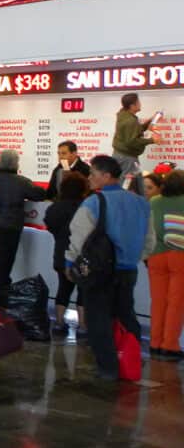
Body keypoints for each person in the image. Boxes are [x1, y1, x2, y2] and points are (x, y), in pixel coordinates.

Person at [66, 155, 155, 381]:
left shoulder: (94, 203)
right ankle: (131, 360)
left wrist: (70, 262)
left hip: (99, 272)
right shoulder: (142, 204)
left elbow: (79, 237)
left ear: (106, 176)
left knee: (99, 320)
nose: (90, 178)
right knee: (126, 316)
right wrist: (133, 258)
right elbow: (150, 241)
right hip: (128, 271)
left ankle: (108, 369)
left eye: (93, 174)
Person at [0, 149, 46, 304]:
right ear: (15, 163)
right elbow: (40, 194)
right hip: (10, 228)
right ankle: (1, 301)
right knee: (4, 266)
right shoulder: (20, 182)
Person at [45, 171, 90, 337]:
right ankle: (83, 326)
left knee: (63, 289)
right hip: (82, 255)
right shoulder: (86, 207)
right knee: (83, 290)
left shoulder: (54, 207)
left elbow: (49, 224)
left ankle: (58, 322)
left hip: (60, 253)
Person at [148, 169, 184, 360]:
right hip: (180, 257)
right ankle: (170, 344)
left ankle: (155, 342)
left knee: (158, 300)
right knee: (176, 303)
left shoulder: (155, 201)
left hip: (156, 254)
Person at [112, 92, 159, 196]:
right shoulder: (130, 121)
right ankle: (122, 206)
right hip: (127, 159)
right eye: (138, 102)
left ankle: (139, 202)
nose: (140, 104)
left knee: (137, 183)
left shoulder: (125, 116)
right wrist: (152, 140)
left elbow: (133, 132)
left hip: (125, 157)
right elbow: (131, 141)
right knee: (126, 185)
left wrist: (148, 123)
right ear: (132, 106)